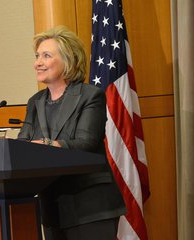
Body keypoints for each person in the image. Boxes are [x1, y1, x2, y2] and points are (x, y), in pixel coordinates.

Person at [18, 26, 126, 240]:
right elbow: (23, 144)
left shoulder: (90, 96)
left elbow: (86, 143)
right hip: (53, 206)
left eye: (46, 56)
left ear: (68, 60)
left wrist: (47, 145)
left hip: (90, 206)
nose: (37, 62)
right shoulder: (35, 102)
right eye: (37, 56)